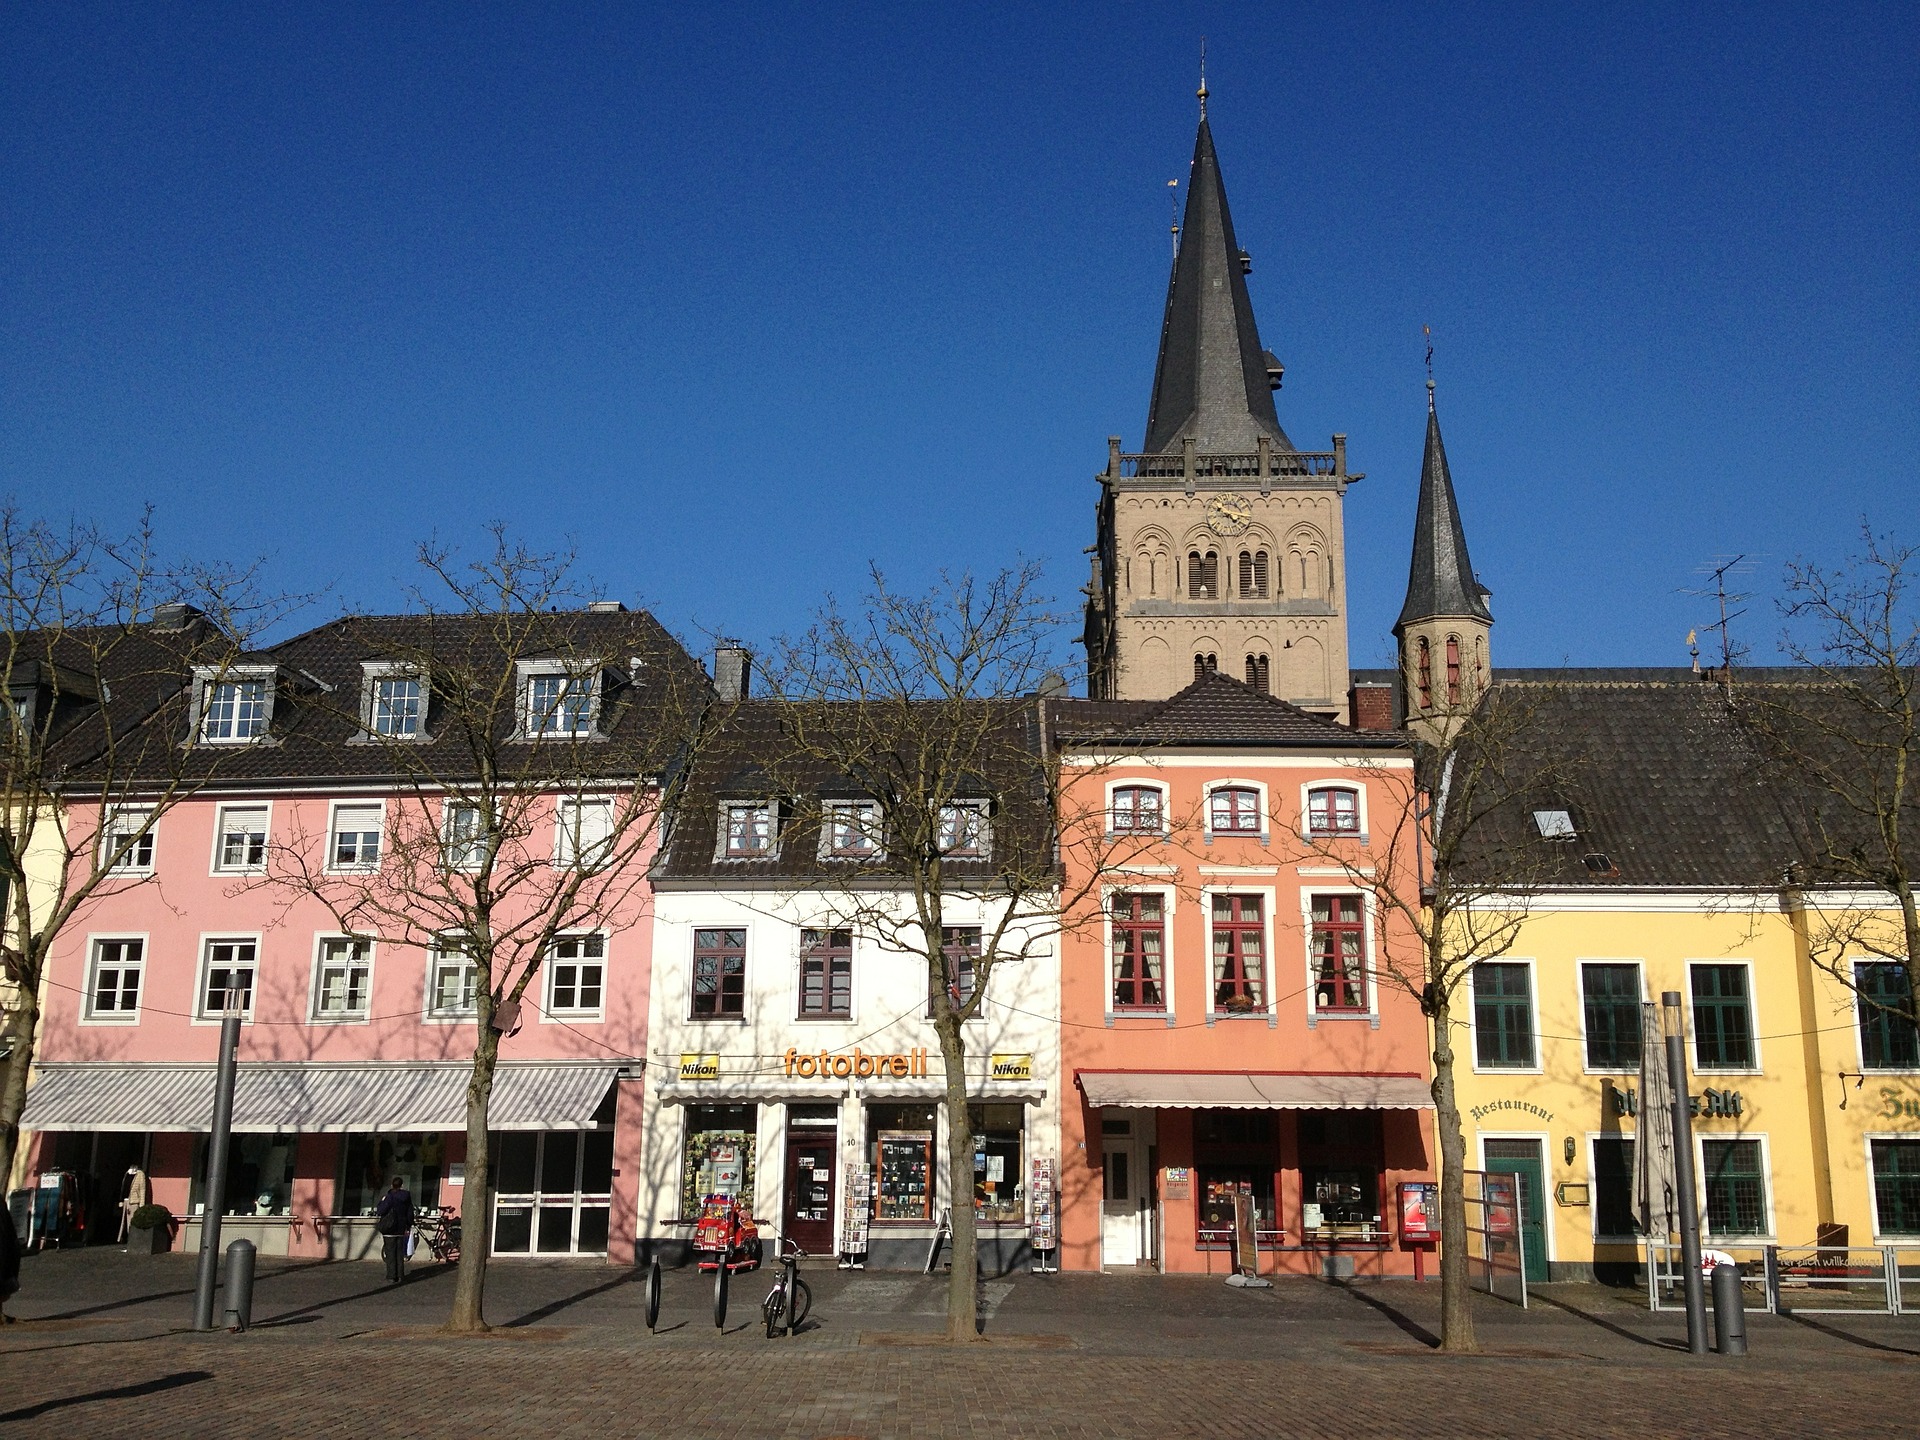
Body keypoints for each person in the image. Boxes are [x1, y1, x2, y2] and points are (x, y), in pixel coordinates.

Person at [375, 1176, 413, 1285]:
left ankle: (392, 1276)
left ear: (392, 1185)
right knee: (399, 1252)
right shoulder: (406, 1196)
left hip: (389, 1227)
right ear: (402, 1185)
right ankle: (400, 1275)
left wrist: (381, 1202)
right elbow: (409, 1211)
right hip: (401, 1227)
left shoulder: (389, 1197)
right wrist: (409, 1224)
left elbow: (380, 1210)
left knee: (390, 1252)